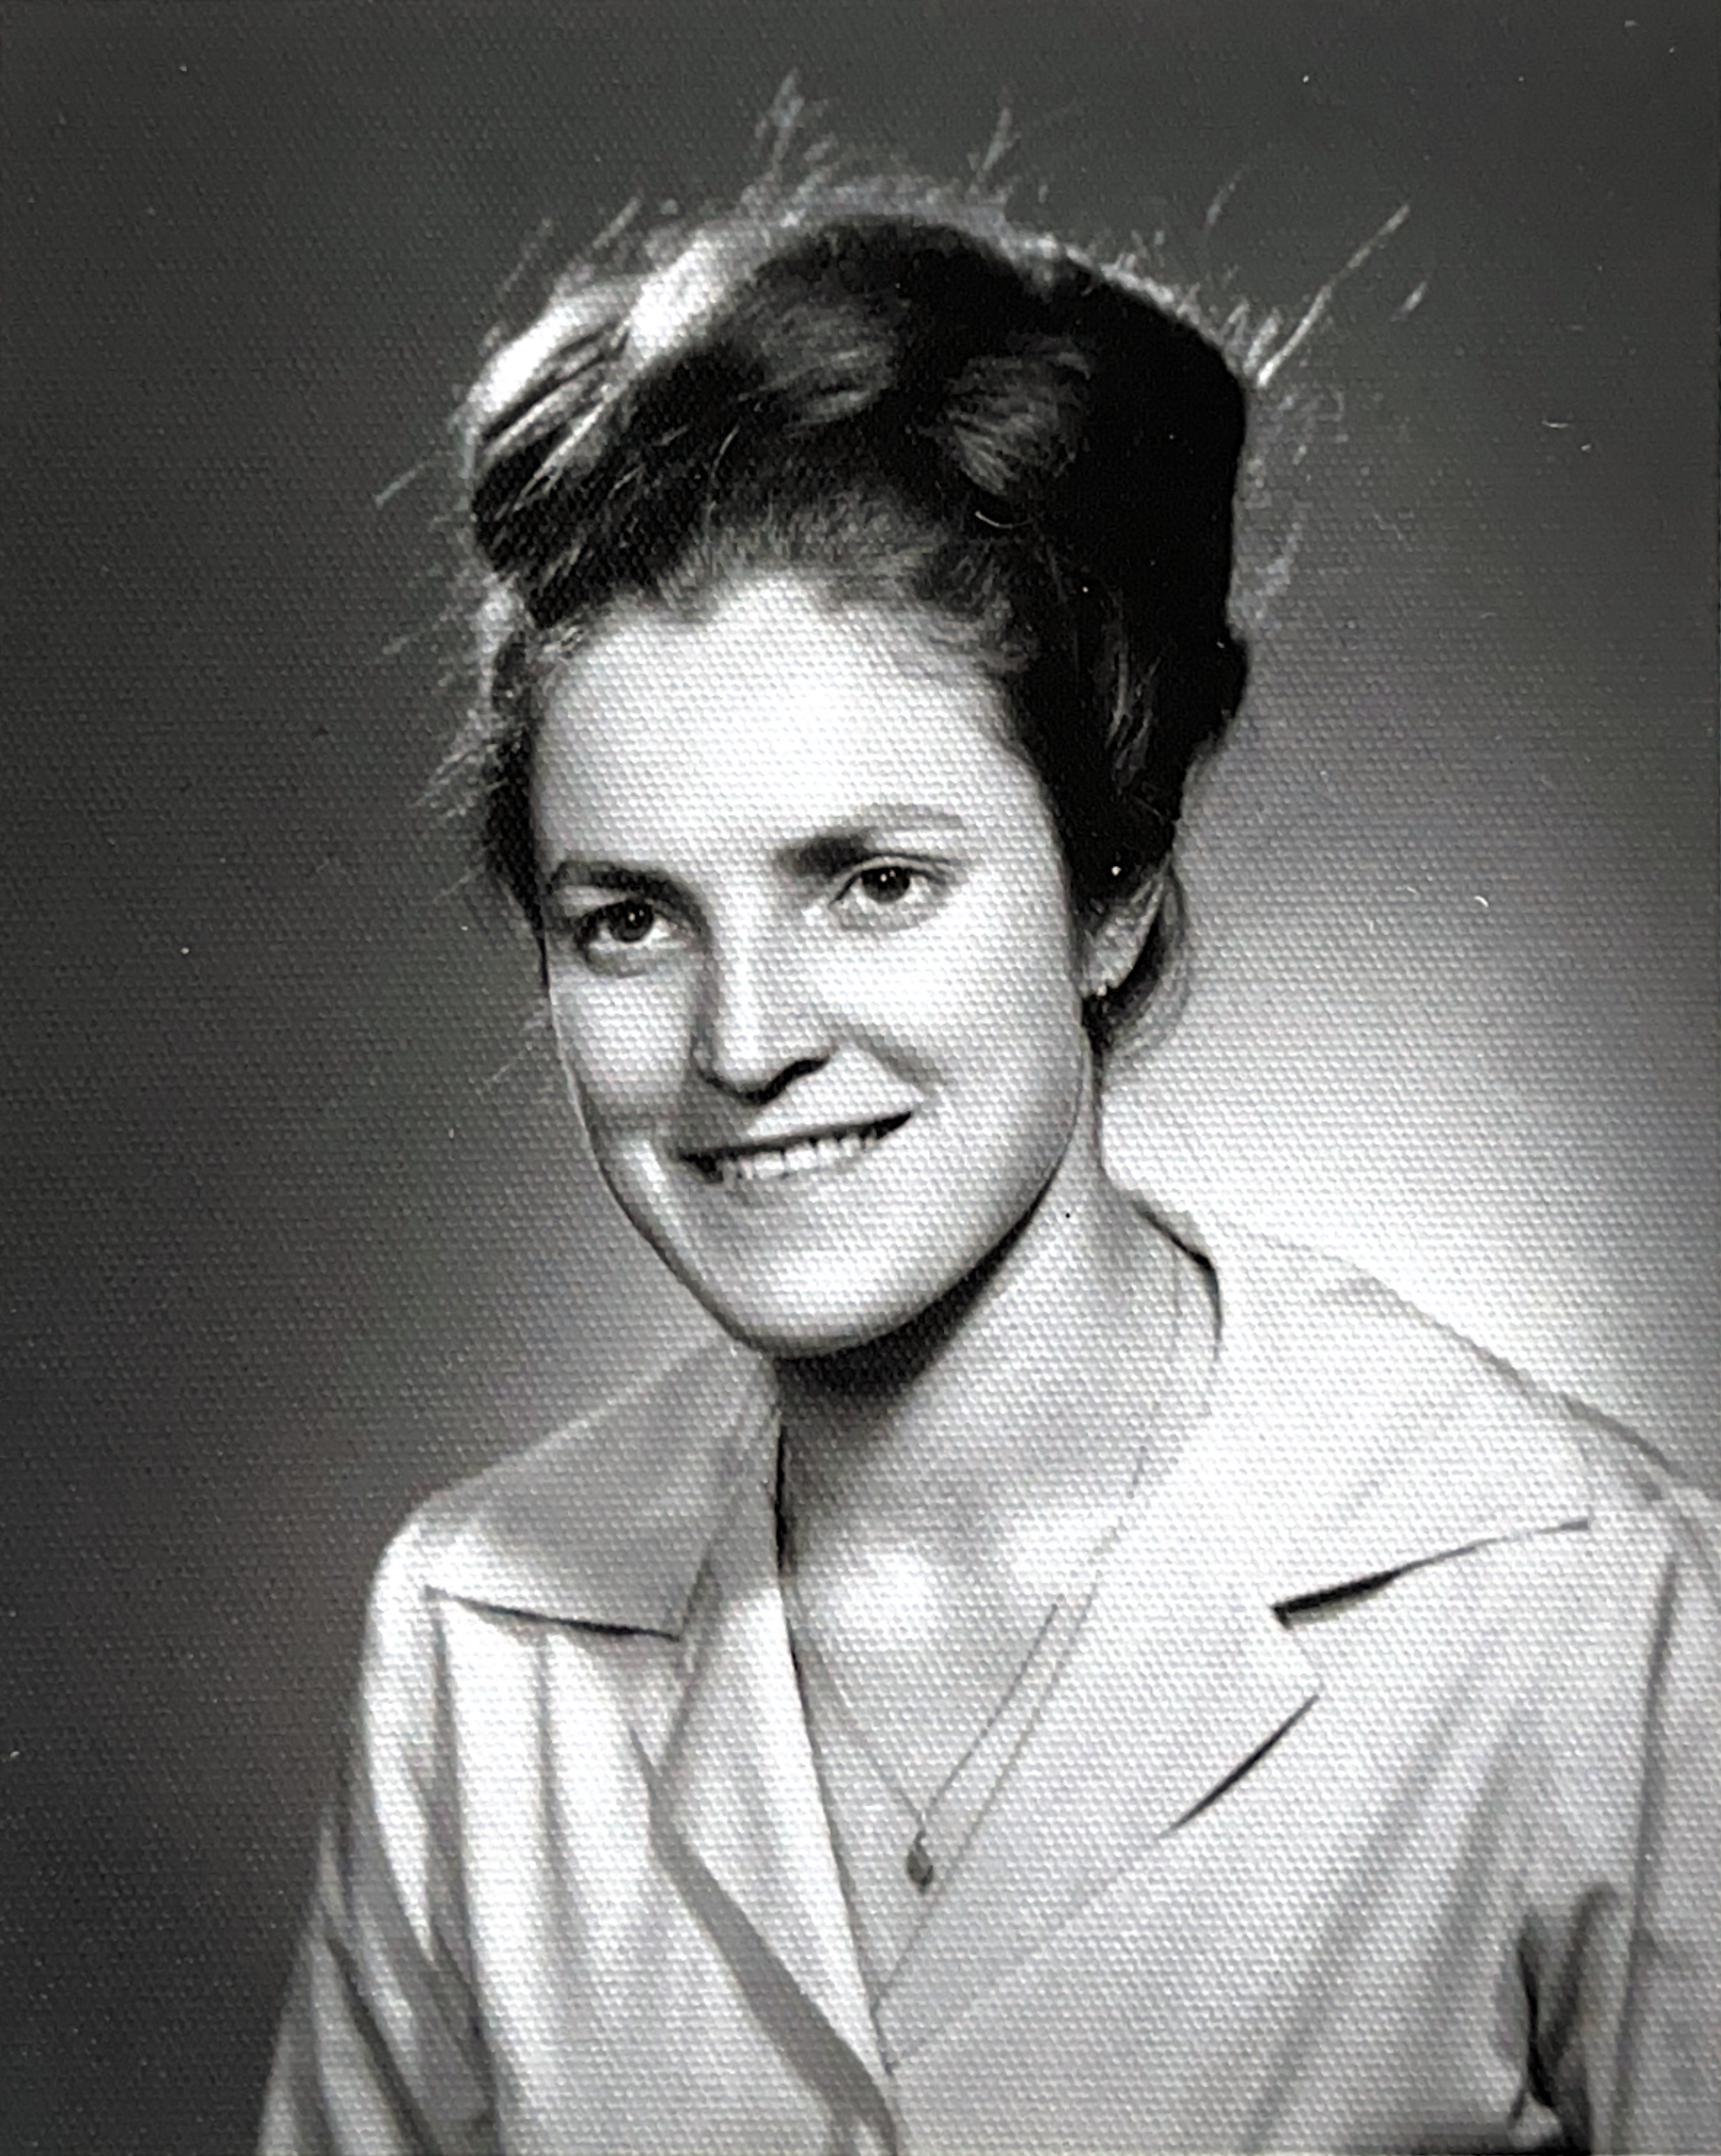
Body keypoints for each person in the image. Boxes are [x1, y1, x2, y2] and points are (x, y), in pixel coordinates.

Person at [261, 162, 1720, 2155]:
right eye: (629, 919)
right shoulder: (472, 1639)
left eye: (873, 883)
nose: (745, 1043)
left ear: (1111, 889)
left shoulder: (1583, 1611)